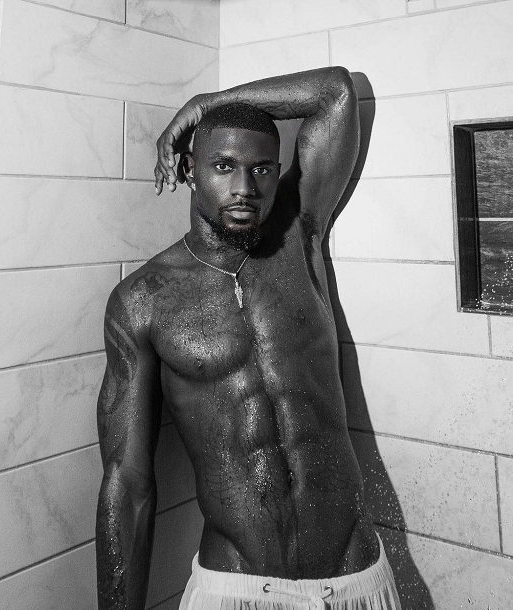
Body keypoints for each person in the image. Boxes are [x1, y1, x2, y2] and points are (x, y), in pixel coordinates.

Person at [96, 67, 401, 610]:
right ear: (189, 171)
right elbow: (128, 483)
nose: (244, 188)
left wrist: (209, 102)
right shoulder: (143, 300)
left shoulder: (298, 236)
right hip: (234, 587)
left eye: (261, 169)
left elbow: (335, 93)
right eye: (223, 166)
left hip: (357, 577)